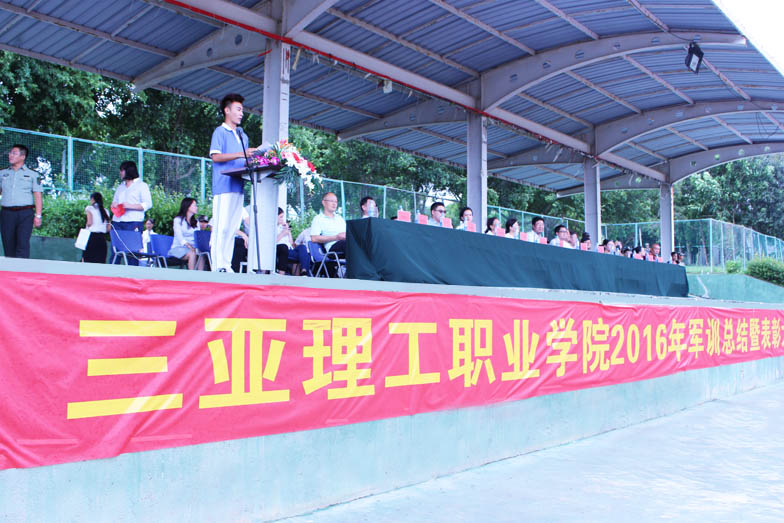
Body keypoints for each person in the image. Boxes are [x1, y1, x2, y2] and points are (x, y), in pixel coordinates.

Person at [209, 93, 259, 272]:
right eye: (238, 109)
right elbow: (215, 156)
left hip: (239, 186)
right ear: (227, 110)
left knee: (232, 228)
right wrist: (241, 154)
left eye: (242, 110)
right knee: (221, 227)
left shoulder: (242, 135)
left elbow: (243, 160)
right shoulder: (220, 132)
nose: (241, 113)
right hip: (223, 186)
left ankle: (226, 265)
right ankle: (217, 266)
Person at [0, 144, 42, 258]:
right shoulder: (2, 173)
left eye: (14, 153)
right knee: (8, 243)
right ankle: (10, 268)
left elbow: (38, 195)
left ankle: (22, 269)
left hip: (25, 213)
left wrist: (38, 216)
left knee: (22, 243)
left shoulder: (33, 174)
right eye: (10, 153)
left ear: (22, 157)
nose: (10, 155)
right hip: (6, 213)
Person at [110, 160, 152, 266]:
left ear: (128, 171)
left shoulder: (142, 186)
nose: (120, 173)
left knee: (132, 252)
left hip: (133, 222)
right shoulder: (120, 187)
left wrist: (130, 206)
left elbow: (148, 204)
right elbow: (114, 201)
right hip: (117, 222)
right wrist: (114, 205)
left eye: (122, 170)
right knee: (115, 251)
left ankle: (132, 273)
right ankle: (112, 273)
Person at [168, 197, 203, 271]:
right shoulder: (178, 220)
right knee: (192, 253)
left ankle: (201, 275)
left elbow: (198, 238)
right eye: (194, 205)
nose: (196, 207)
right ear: (188, 206)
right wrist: (189, 246)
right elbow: (179, 237)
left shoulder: (196, 222)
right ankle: (191, 275)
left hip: (193, 248)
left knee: (202, 254)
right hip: (178, 248)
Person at [275, 208, 310, 275]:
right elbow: (272, 242)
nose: (282, 219)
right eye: (281, 217)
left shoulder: (282, 227)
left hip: (289, 250)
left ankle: (304, 271)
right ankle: (281, 273)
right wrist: (283, 233)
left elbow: (291, 244)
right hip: (279, 249)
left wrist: (288, 232)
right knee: (284, 247)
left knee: (302, 247)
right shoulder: (273, 228)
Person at [311, 192, 346, 256]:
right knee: (348, 244)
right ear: (324, 202)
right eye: (331, 201)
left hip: (346, 245)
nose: (334, 204)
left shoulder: (340, 218)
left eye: (336, 202)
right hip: (333, 249)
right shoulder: (318, 219)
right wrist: (336, 237)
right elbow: (314, 238)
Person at [82, 192, 110, 263]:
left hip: (91, 237)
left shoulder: (89, 208)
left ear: (92, 199)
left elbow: (89, 223)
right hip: (102, 239)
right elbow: (108, 228)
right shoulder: (106, 211)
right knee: (100, 260)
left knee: (88, 260)